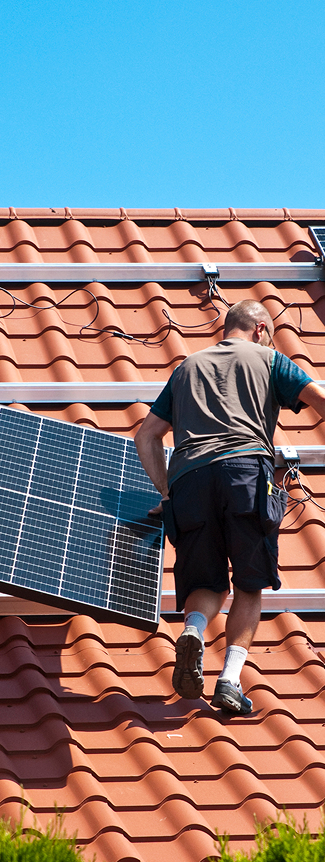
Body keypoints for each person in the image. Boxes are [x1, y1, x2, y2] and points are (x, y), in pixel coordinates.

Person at [134, 299, 325, 715]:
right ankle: (230, 680)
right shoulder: (268, 358)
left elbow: (146, 436)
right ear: (260, 329)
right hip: (245, 473)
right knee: (249, 583)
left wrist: (167, 494)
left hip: (189, 480)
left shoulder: (185, 369)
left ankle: (194, 630)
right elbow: (319, 398)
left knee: (206, 581)